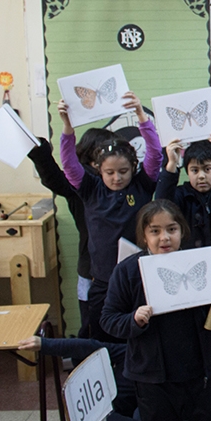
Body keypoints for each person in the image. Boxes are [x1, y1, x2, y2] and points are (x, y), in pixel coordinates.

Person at [100, 200, 211, 421]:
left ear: (182, 231)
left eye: (172, 229)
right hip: (153, 378)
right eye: (155, 231)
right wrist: (134, 320)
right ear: (144, 235)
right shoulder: (128, 271)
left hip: (201, 373)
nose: (165, 238)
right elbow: (108, 319)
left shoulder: (200, 264)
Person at [58, 93, 162, 342]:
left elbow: (156, 154)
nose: (117, 178)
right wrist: (67, 127)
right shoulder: (91, 189)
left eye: (124, 171)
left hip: (138, 278)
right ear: (98, 170)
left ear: (133, 168)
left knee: (139, 337)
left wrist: (141, 116)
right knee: (104, 339)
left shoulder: (142, 185)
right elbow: (70, 164)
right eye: (110, 172)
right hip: (103, 281)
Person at [26, 128, 113, 338]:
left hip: (121, 268)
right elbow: (53, 177)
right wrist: (38, 149)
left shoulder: (122, 184)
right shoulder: (81, 186)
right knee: (92, 326)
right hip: (91, 269)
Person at [17, 335, 143, 421]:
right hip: (93, 413)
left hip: (116, 409)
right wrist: (45, 344)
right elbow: (87, 346)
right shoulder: (132, 352)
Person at [155, 136, 211, 257]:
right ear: (187, 171)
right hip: (193, 261)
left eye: (207, 169)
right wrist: (172, 163)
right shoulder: (182, 195)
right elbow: (161, 206)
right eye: (194, 170)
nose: (201, 176)